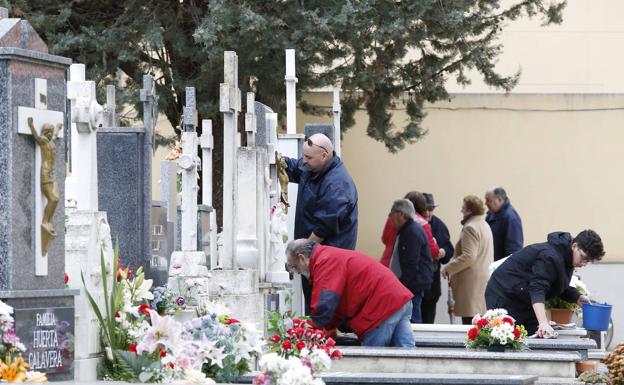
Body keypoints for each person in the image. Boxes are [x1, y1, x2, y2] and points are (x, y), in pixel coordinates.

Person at [281, 133, 358, 315]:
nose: (304, 161)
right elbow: (295, 167)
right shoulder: (314, 169)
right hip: (313, 258)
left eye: (308, 157)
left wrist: (300, 253)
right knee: (314, 307)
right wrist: (278, 160)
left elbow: (325, 227)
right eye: (304, 156)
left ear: (324, 155)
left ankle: (324, 339)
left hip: (328, 260)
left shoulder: (337, 184)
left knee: (323, 310)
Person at [285, 239, 414, 347]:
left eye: (294, 267)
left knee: (373, 362)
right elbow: (336, 305)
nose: (297, 272)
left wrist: (304, 330)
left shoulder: (324, 262)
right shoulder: (328, 256)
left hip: (380, 308)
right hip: (398, 298)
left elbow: (324, 306)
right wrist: (329, 326)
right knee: (406, 356)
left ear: (302, 258)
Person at [485, 230, 604, 337]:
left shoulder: (566, 257)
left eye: (588, 261)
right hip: (503, 294)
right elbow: (538, 288)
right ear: (574, 246)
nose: (583, 263)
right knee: (511, 338)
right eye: (583, 258)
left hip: (521, 295)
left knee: (536, 335)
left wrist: (577, 297)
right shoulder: (550, 256)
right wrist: (543, 322)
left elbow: (557, 284)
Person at [441, 195, 494, 325]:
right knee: (480, 323)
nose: (461, 211)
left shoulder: (470, 227)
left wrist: (448, 268)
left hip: (470, 284)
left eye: (463, 208)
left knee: (470, 324)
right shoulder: (484, 225)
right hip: (482, 281)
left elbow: (469, 256)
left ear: (470, 210)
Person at [387, 199, 433, 323]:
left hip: (412, 285)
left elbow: (411, 264)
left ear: (401, 214)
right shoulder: (408, 230)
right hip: (412, 284)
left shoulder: (411, 231)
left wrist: (401, 286)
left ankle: (413, 342)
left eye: (392, 212)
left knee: (412, 319)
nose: (390, 216)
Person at [381, 191, 441, 266]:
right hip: (405, 269)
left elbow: (384, 239)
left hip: (386, 263)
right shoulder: (421, 223)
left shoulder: (392, 217)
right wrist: (435, 242)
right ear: (422, 207)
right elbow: (433, 251)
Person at [421, 193, 454, 324]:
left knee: (428, 319)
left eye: (431, 209)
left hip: (431, 283)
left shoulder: (439, 225)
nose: (428, 213)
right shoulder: (412, 223)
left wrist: (443, 252)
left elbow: (449, 249)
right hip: (415, 283)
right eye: (425, 209)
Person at [485, 187, 523, 261]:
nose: (486, 203)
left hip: (500, 266)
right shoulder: (491, 214)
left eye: (488, 200)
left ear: (499, 200)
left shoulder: (511, 218)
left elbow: (514, 248)